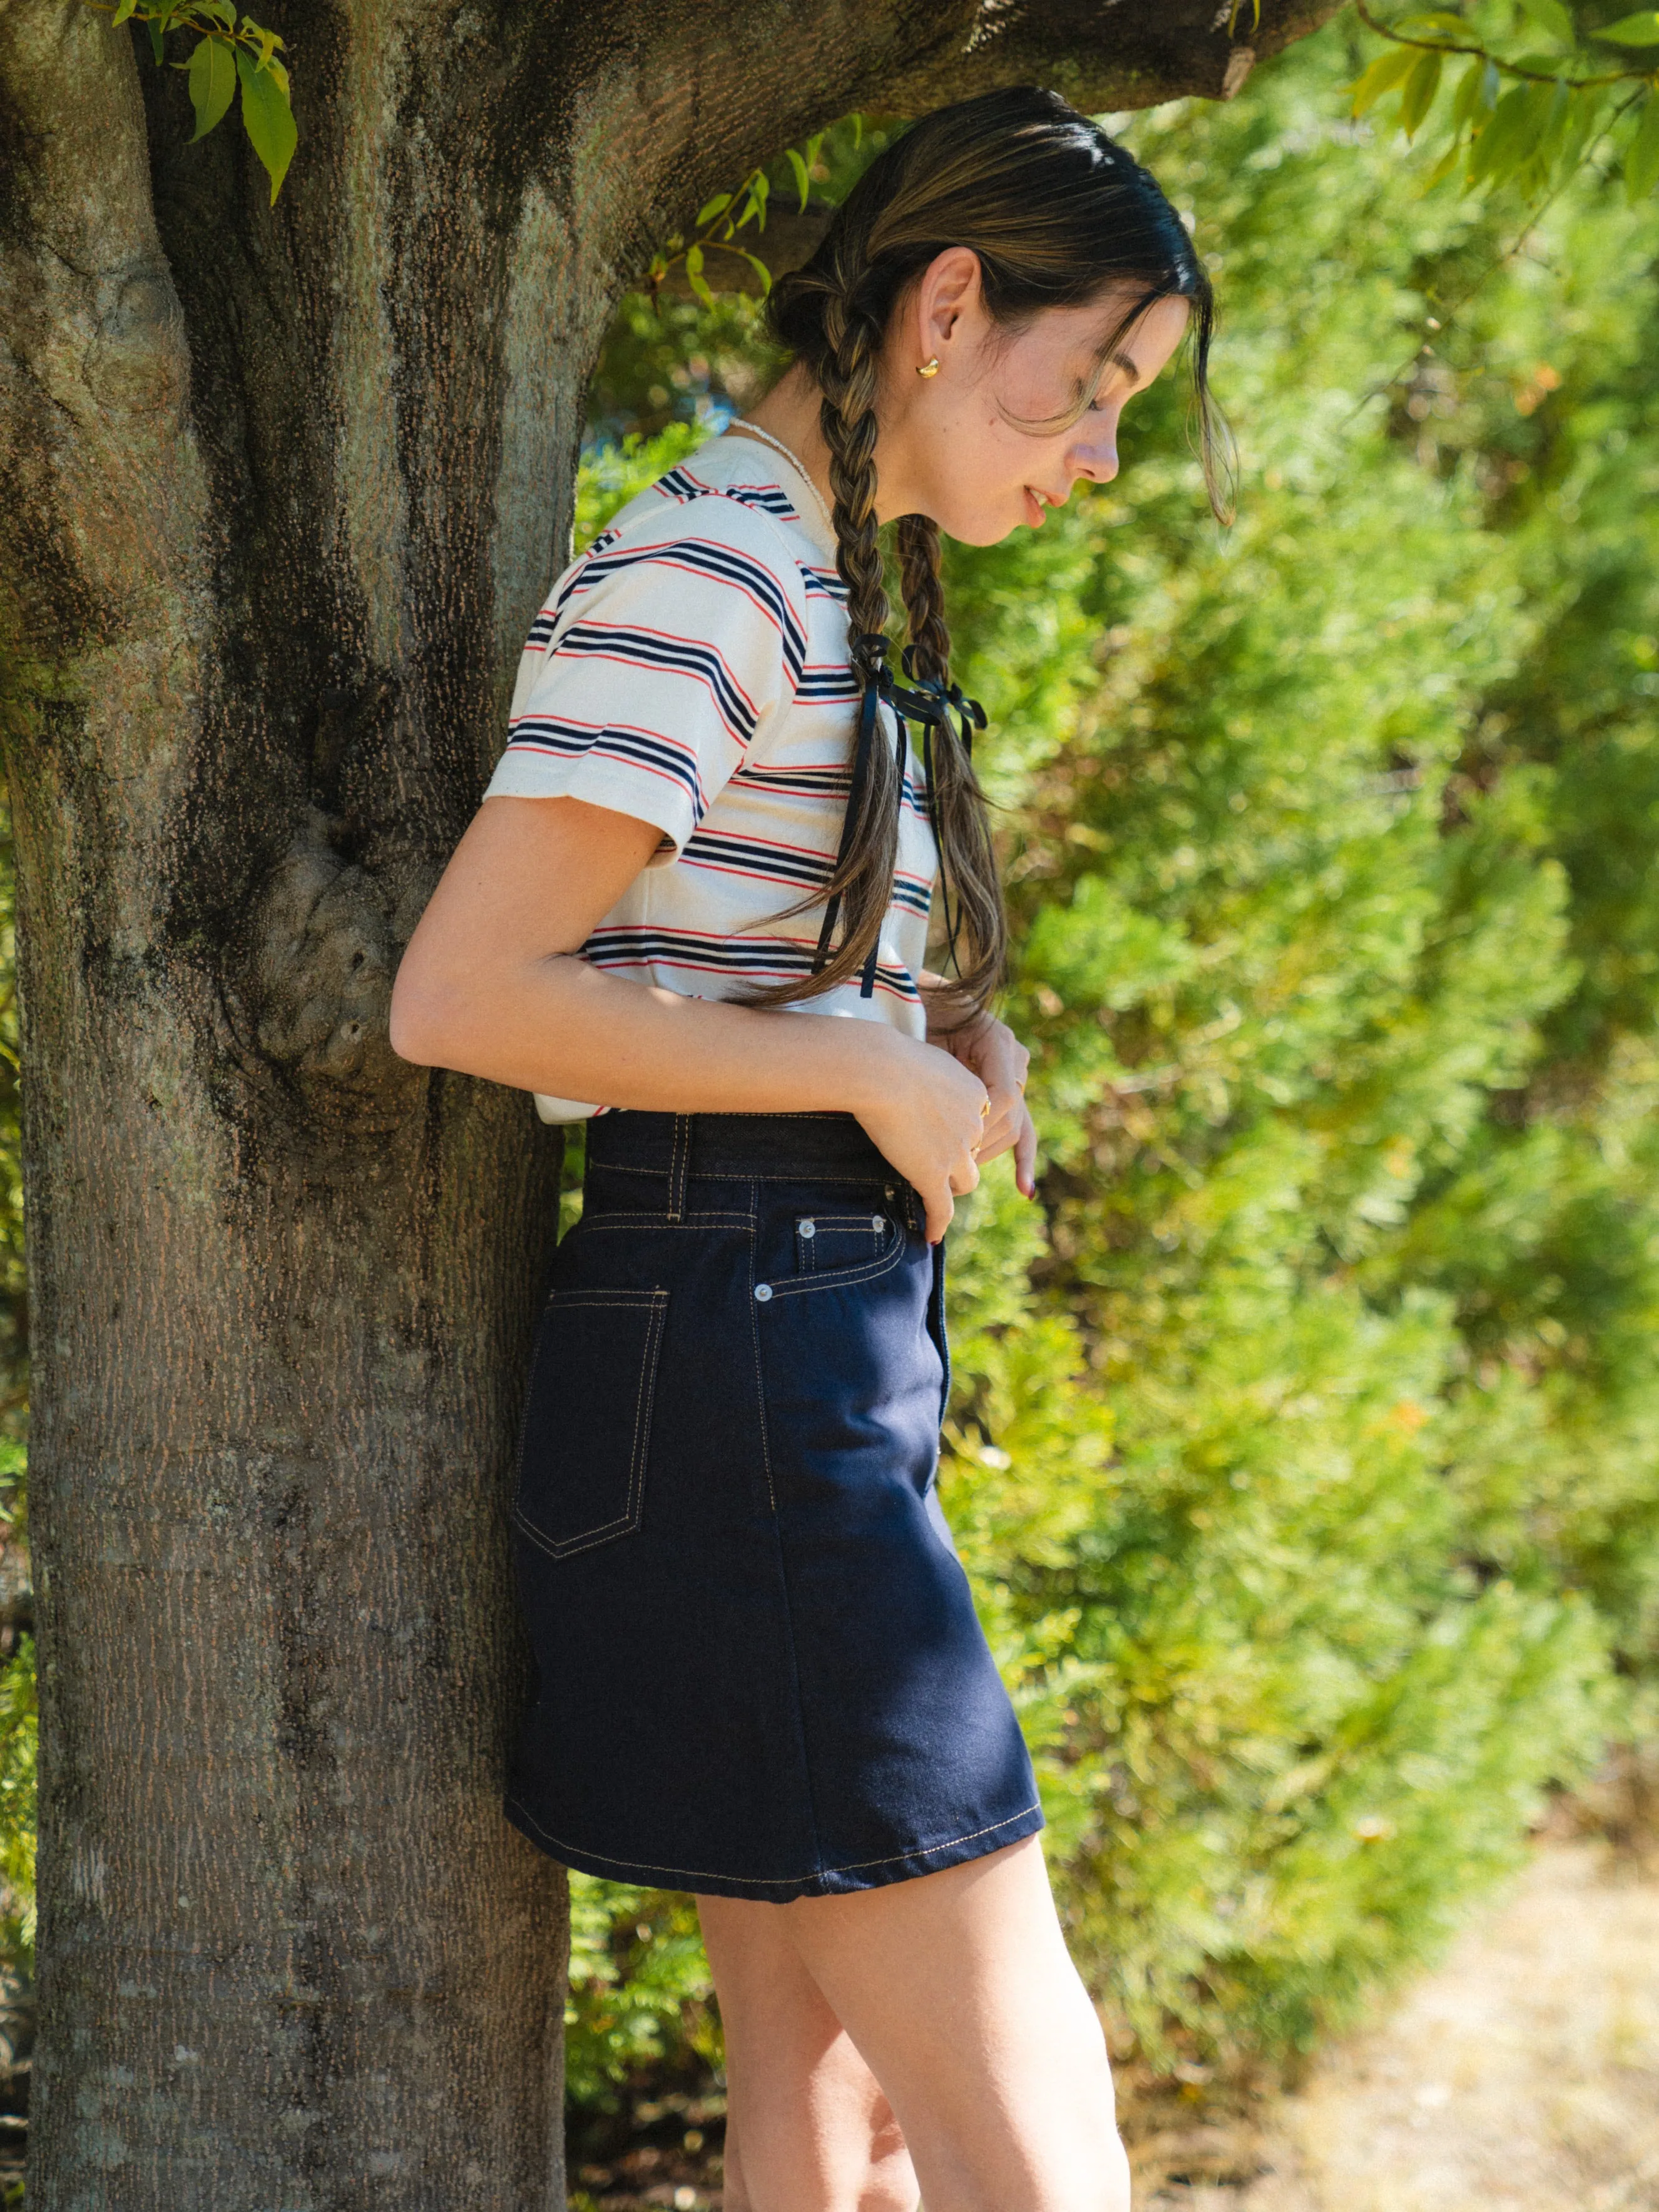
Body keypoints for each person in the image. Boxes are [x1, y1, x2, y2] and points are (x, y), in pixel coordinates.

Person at [391, 82, 1228, 2212]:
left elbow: (742, 953)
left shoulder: (821, 568)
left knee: (832, 2111)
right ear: (949, 304)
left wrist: (941, 1027)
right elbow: (465, 991)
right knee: (1047, 2144)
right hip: (743, 1365)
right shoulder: (719, 562)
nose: (1101, 453)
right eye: (1091, 382)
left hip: (781, 1353)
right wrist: (864, 1080)